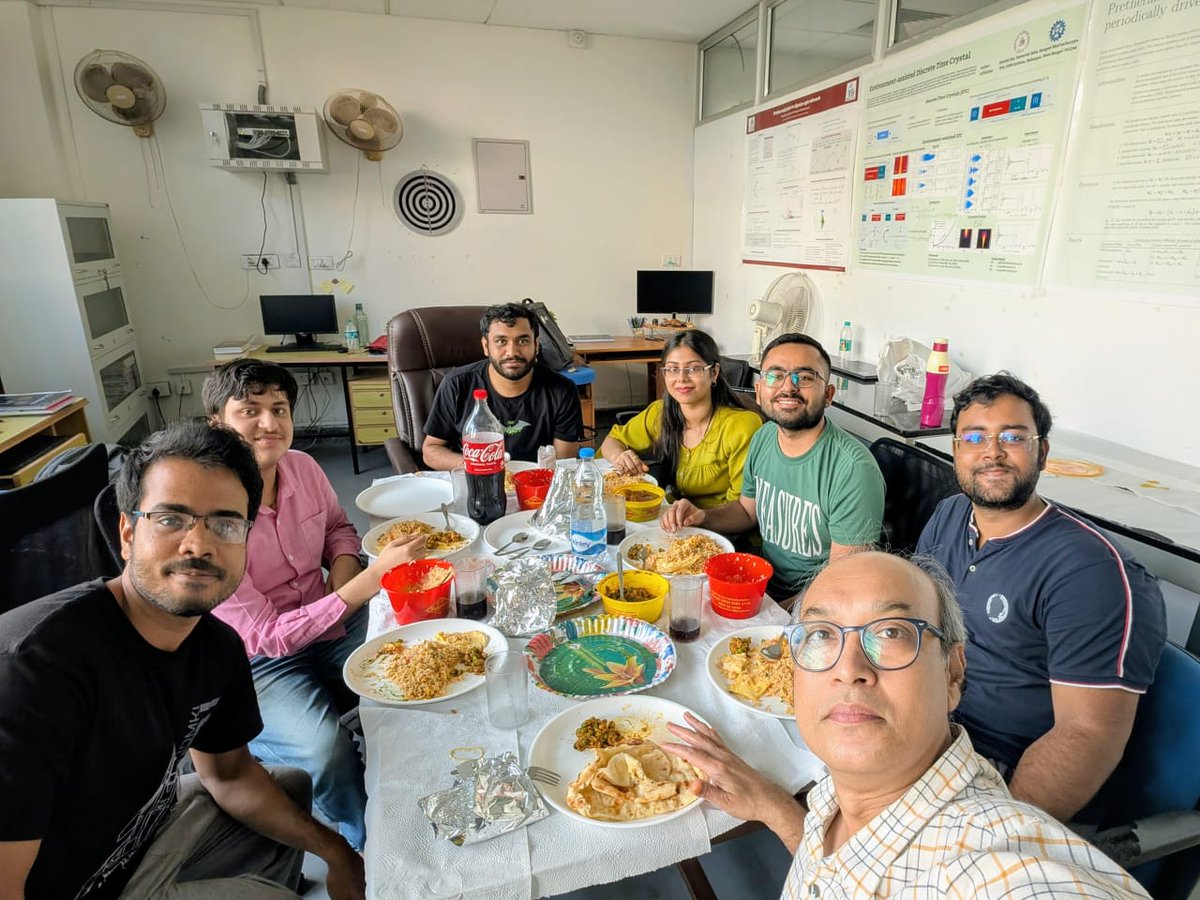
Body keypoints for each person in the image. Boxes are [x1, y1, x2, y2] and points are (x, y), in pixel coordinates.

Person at [0, 420, 365, 900]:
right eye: (171, 519)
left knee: (291, 787)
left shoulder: (215, 646)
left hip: (145, 828)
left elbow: (229, 774)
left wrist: (338, 852)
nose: (198, 545)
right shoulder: (33, 668)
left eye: (225, 523)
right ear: (127, 533)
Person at [664, 552, 1149, 898]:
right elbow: (842, 871)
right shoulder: (841, 796)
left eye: (892, 632)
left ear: (953, 672)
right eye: (821, 634)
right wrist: (772, 805)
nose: (848, 666)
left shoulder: (993, 864)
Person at [916, 373, 1166, 821]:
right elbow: (915, 613)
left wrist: (999, 835)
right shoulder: (950, 514)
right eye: (974, 437)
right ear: (955, 451)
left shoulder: (1091, 572)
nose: (992, 451)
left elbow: (1086, 734)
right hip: (923, 726)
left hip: (993, 771)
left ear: (1042, 452)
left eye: (1013, 437)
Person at [202, 359, 427, 851]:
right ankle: (363, 844)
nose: (269, 423)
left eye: (279, 409)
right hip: (260, 663)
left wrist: (341, 591)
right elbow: (268, 636)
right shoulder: (211, 510)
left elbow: (338, 531)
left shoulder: (302, 467)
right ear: (217, 423)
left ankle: (417, 789)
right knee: (326, 753)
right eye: (250, 411)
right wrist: (367, 582)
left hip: (330, 620)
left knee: (426, 660)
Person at [660, 333, 884, 600]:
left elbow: (842, 581)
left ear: (828, 394)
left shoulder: (853, 469)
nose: (788, 388)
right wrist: (703, 517)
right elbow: (746, 511)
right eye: (775, 376)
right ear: (758, 391)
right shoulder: (764, 437)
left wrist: (772, 614)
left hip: (810, 605)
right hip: (760, 585)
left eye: (806, 377)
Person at [600, 329, 761, 508]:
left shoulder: (741, 426)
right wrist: (620, 456)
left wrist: (697, 517)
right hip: (674, 517)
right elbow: (612, 440)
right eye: (673, 369)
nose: (681, 379)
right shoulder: (660, 412)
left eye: (693, 369)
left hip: (720, 526)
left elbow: (742, 509)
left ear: (714, 373)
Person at [422, 302, 583, 469]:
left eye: (522, 340)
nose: (512, 352)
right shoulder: (456, 385)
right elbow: (431, 450)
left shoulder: (563, 390)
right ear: (486, 346)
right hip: (476, 481)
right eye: (501, 341)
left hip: (536, 484)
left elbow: (564, 461)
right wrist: (482, 467)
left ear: (536, 346)